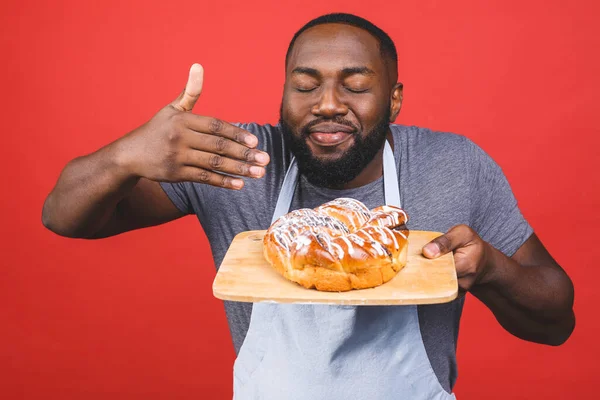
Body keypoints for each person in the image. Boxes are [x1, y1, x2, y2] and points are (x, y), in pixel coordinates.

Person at [42, 13, 575, 399]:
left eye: (356, 86)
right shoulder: (236, 161)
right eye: (305, 85)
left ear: (394, 98)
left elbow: (557, 321)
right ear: (283, 94)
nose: (326, 104)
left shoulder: (453, 165)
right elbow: (62, 217)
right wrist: (124, 155)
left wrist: (492, 269)